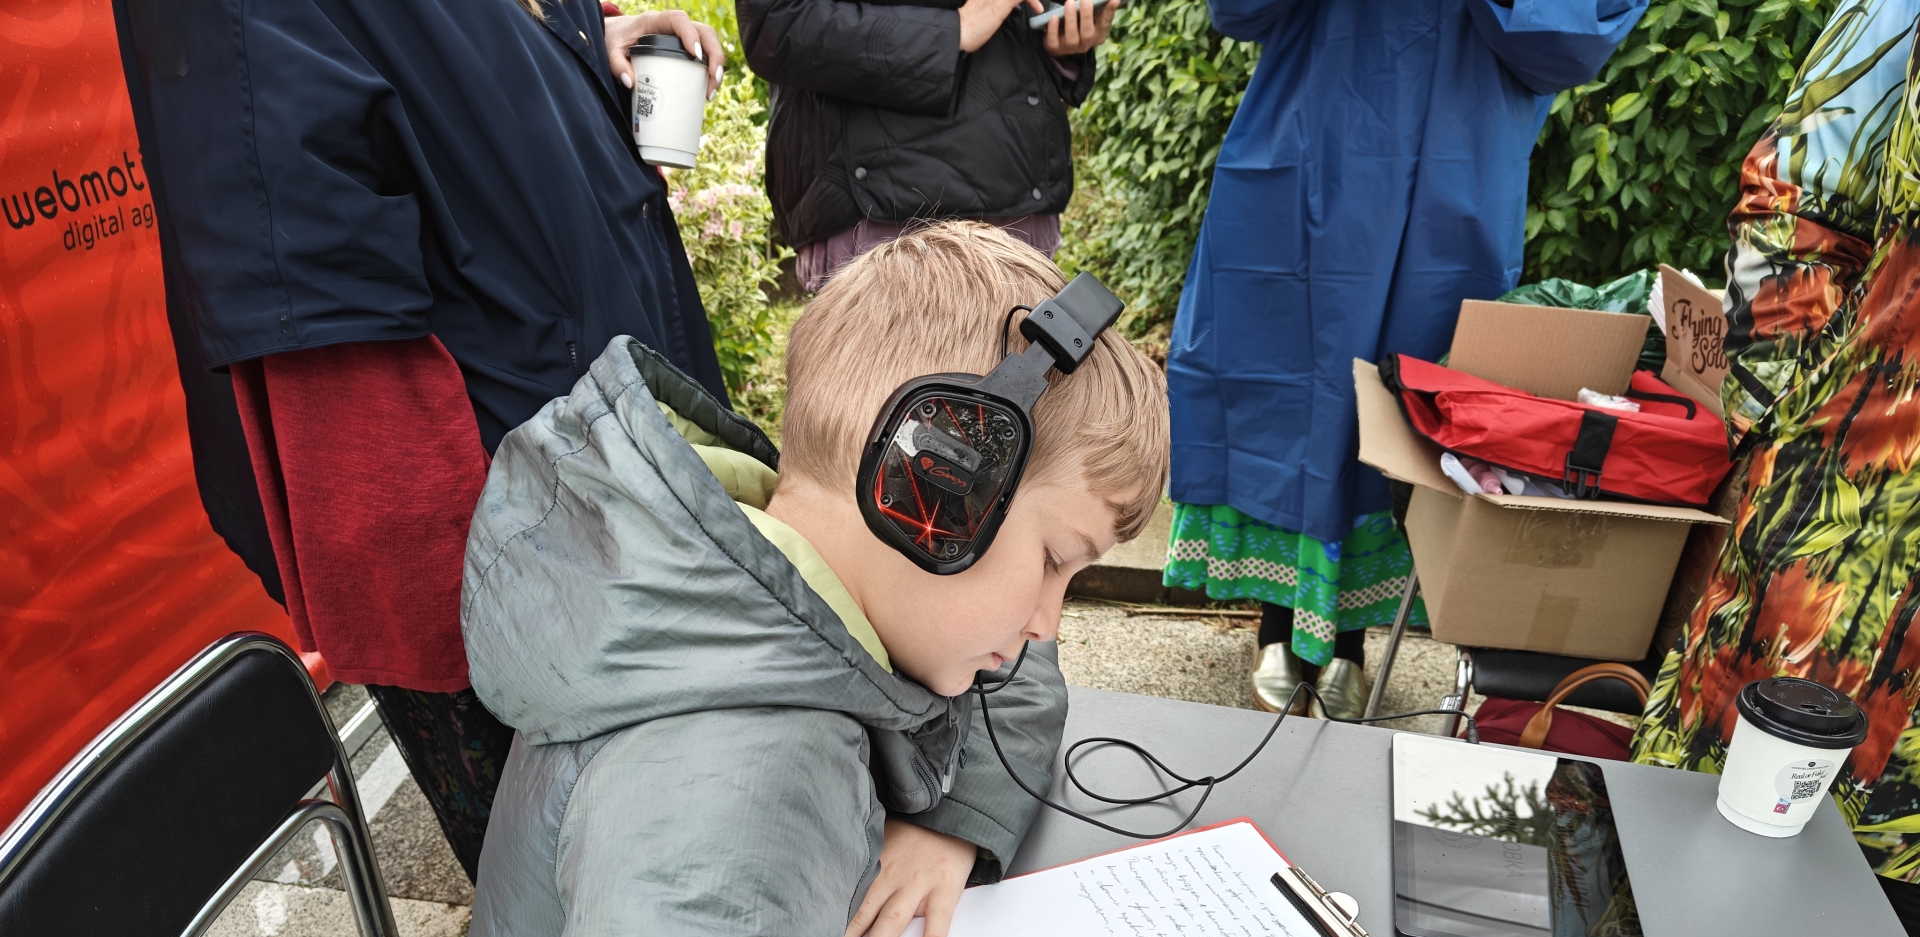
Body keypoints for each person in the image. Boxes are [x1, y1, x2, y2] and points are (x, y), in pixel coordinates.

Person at [460, 224, 1250, 937]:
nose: (1048, 623)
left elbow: (1013, 672)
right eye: (1053, 561)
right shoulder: (733, 781)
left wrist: (948, 821)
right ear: (934, 492)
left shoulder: (765, 584)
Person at [124, 0, 729, 880]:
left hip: (631, 444)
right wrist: (476, 617)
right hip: (535, 524)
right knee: (603, 887)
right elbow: (316, 291)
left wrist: (567, 47)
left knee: (713, 824)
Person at [1162, 0, 1646, 718]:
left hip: (1456, 170)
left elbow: (1573, 36)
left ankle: (1351, 639)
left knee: (1410, 388)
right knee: (1291, 375)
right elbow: (1238, 10)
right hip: (1311, 144)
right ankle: (1276, 621)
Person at [1632, 0, 1920, 937]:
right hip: (1856, 555)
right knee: (1728, 903)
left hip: (1853, 541)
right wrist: (1791, 419)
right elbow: (1793, 204)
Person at [739, 0, 1115, 291]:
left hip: (1020, 196)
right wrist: (952, 31)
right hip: (883, 220)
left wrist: (1061, 28)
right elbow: (777, 24)